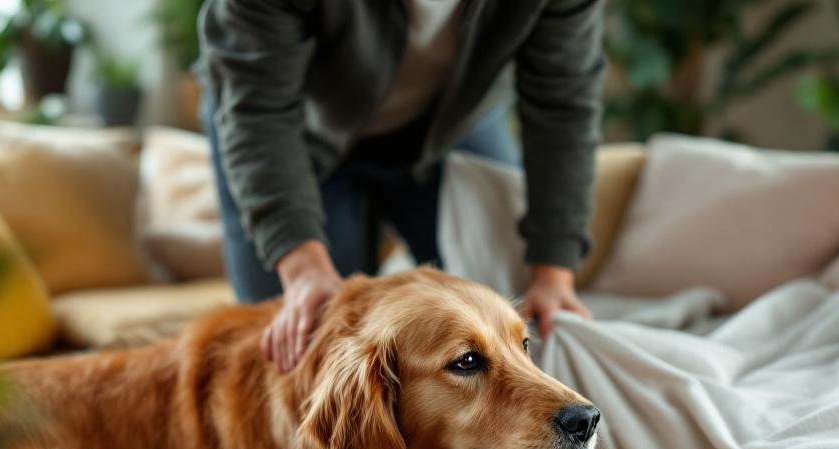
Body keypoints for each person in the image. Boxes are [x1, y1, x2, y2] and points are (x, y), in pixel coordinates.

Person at [200, 0, 604, 371]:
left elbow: (563, 108)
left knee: (506, 319)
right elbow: (259, 114)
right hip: (286, 131)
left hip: (449, 125)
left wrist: (553, 275)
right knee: (300, 350)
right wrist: (303, 268)